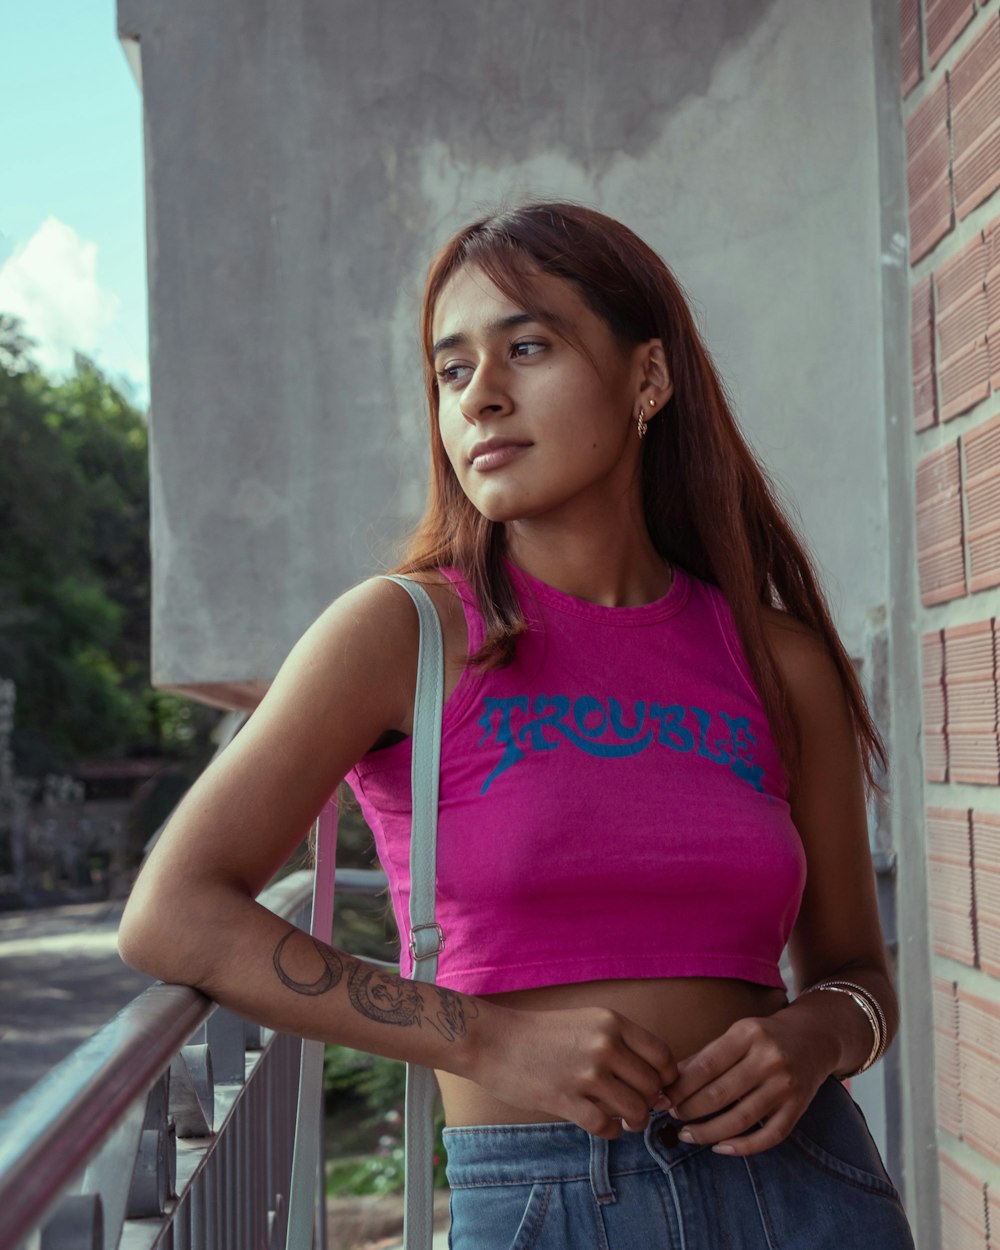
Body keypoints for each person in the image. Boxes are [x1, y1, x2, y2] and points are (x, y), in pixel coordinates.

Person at [119, 202, 916, 1247]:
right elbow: (173, 911)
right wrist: (485, 1038)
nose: (481, 396)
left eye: (527, 347)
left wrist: (815, 1034)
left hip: (803, 1185)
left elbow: (858, 970)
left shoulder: (780, 660)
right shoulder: (398, 634)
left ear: (648, 379)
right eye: (451, 372)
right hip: (545, 1199)